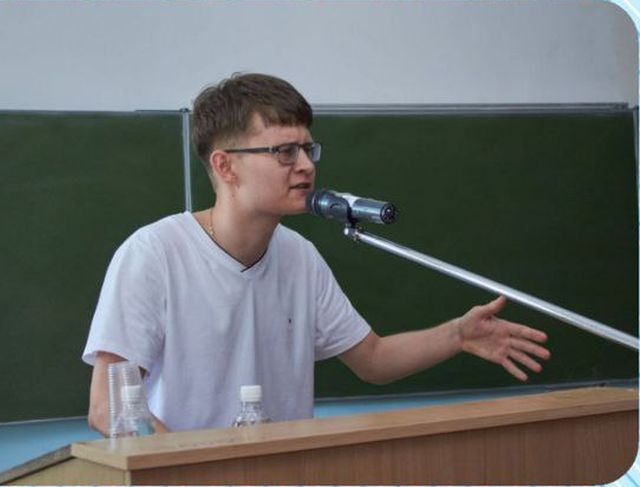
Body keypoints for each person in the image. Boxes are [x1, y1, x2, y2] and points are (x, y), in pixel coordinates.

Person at [82, 73, 551, 436]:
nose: (306, 166)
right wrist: (194, 473)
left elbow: (373, 359)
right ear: (225, 165)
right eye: (285, 152)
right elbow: (109, 408)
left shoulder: (299, 257)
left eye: (308, 149)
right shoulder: (154, 254)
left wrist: (457, 334)